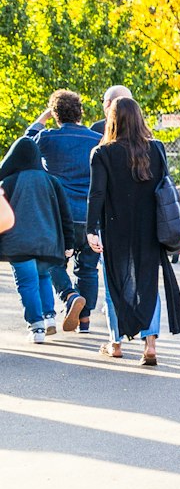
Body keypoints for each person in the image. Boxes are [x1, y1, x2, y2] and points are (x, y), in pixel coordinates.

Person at [86, 97, 180, 364]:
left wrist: (91, 228)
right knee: (148, 283)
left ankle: (115, 342)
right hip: (150, 228)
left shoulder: (102, 153)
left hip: (115, 228)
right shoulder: (156, 149)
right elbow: (164, 187)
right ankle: (150, 344)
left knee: (115, 284)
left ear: (112, 120)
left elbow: (96, 194)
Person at [27, 90, 102, 332]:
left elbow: (25, 143)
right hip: (92, 215)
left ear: (56, 114)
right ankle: (85, 320)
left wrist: (43, 117)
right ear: (81, 112)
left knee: (52, 262)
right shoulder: (97, 139)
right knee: (88, 268)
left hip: (59, 216)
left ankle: (69, 297)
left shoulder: (48, 138)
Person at [1, 135, 72, 344]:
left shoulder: (8, 182)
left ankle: (36, 326)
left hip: (18, 242)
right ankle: (49, 318)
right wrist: (69, 243)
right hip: (47, 242)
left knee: (26, 283)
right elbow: (65, 215)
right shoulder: (52, 181)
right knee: (43, 278)